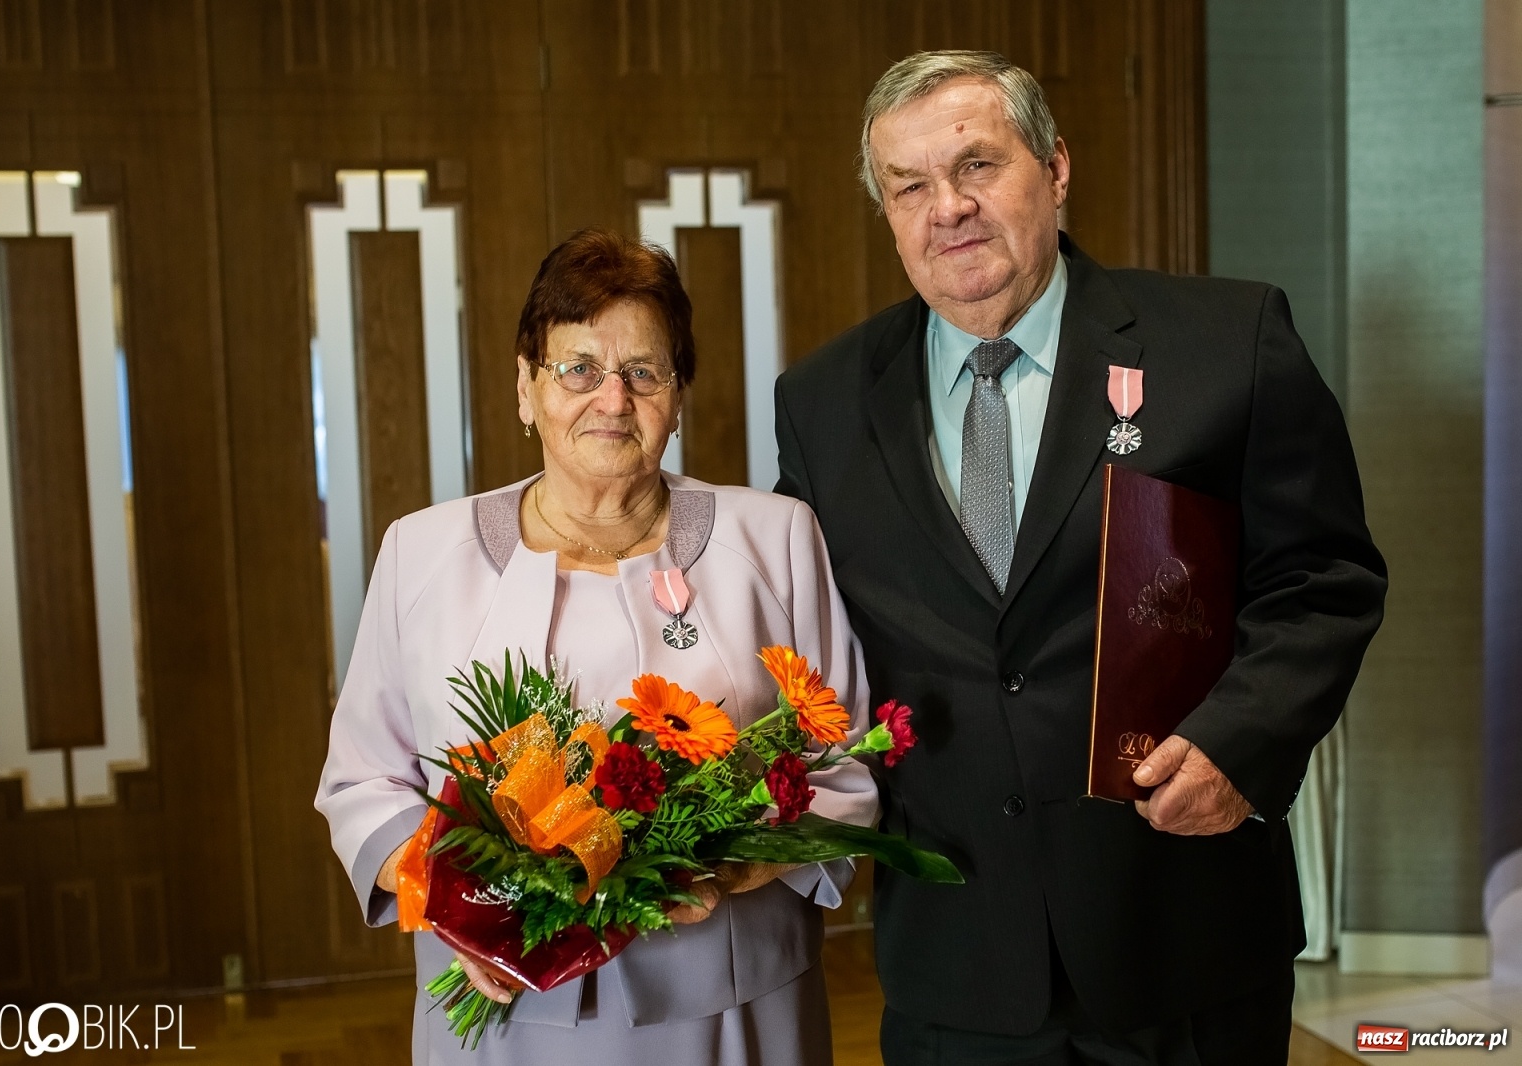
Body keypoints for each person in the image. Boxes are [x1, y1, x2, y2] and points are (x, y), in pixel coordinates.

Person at [774, 51, 1388, 1065]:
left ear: (1055, 168)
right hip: (956, 959)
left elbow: (1322, 580)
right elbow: (798, 630)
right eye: (909, 185)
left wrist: (1241, 743)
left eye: (977, 165)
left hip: (1179, 933)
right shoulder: (825, 399)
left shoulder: (1224, 341)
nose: (948, 208)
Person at [316, 228, 875, 1066]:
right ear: (524, 386)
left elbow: (846, 761)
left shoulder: (777, 541)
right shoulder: (419, 555)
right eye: (577, 368)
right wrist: (457, 905)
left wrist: (737, 863)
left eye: (643, 372)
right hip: (503, 1013)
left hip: (728, 1009)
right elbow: (363, 780)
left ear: (678, 397)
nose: (611, 399)